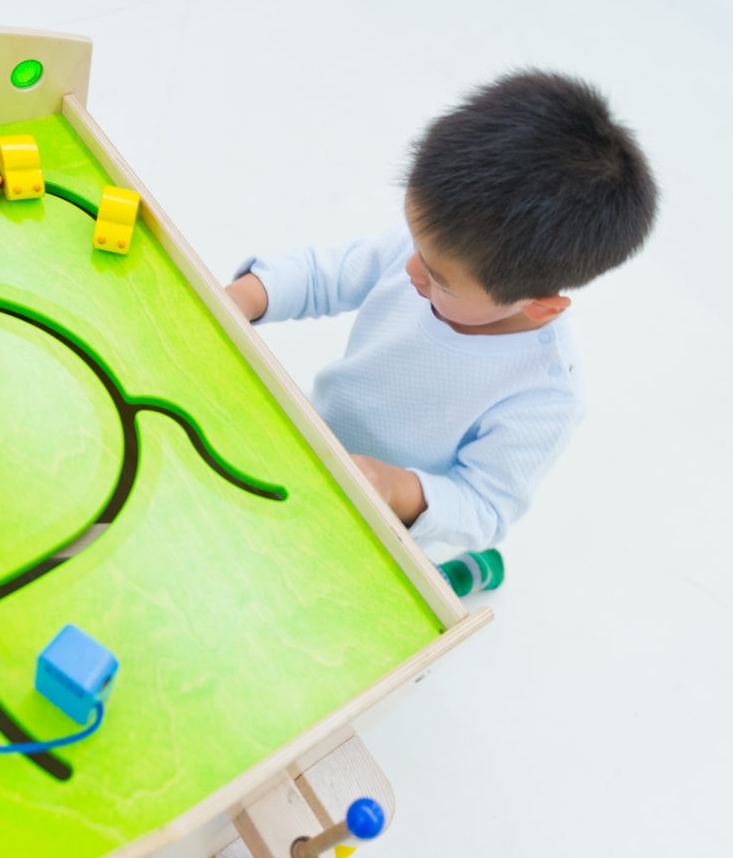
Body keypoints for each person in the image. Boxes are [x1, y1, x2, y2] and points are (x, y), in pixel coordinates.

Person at [225, 70, 658, 591]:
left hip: (382, 517)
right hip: (311, 439)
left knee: (340, 591)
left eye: (437, 278)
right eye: (414, 243)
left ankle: (462, 575)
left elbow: (483, 504)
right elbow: (326, 275)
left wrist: (394, 489)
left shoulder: (545, 396)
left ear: (540, 307)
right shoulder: (433, 250)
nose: (410, 270)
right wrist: (244, 299)